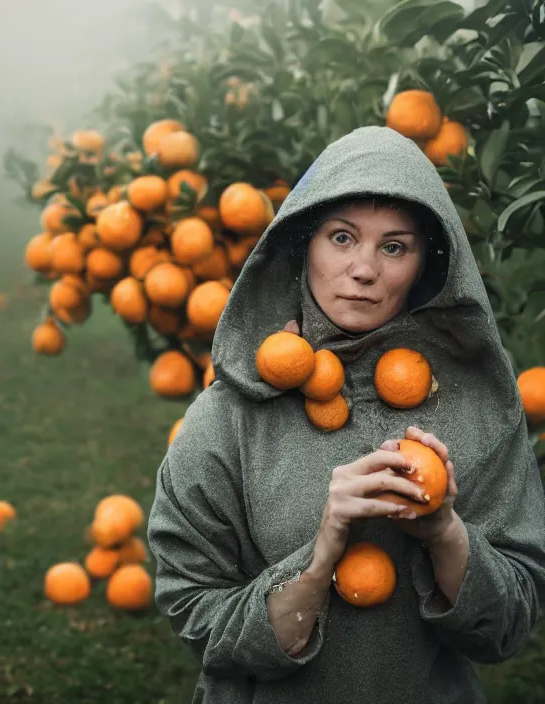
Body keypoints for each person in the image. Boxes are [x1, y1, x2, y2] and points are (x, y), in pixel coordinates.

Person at [146, 126, 545, 703]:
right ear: (301, 243)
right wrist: (319, 556)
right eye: (341, 237)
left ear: (427, 264)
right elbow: (194, 613)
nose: (364, 269)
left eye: (393, 247)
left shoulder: (477, 408)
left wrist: (445, 534)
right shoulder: (230, 416)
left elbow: (510, 625)